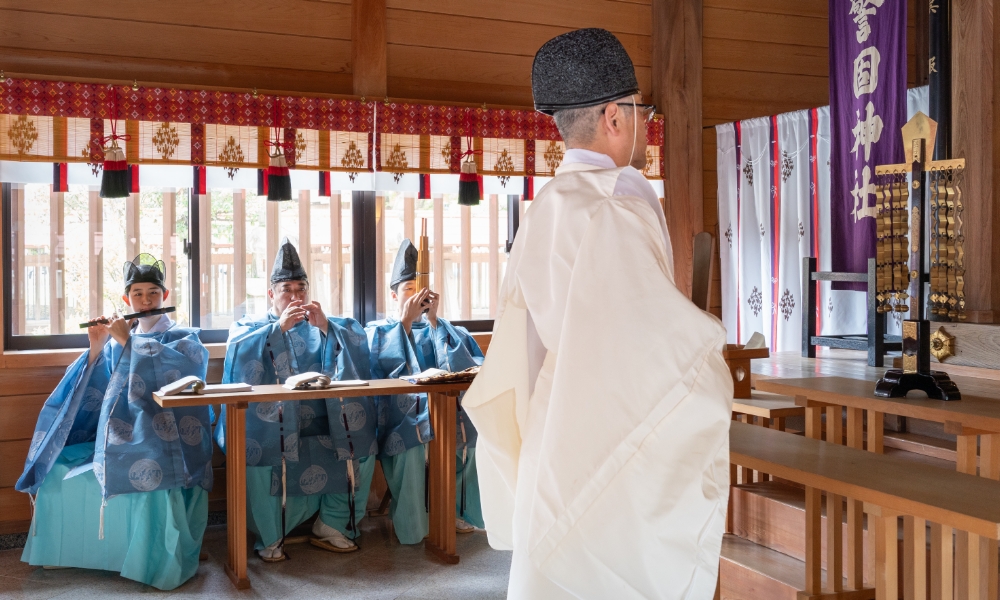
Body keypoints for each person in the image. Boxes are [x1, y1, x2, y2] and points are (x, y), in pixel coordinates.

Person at [461, 28, 734, 599]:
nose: (645, 124)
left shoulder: (544, 206)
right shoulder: (616, 200)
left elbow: (523, 342)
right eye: (641, 112)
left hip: (553, 420)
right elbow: (649, 340)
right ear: (614, 116)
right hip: (608, 425)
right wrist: (706, 350)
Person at [16, 254, 212, 590]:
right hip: (120, 433)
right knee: (57, 462)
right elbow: (98, 387)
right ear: (126, 299)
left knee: (149, 469)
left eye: (153, 293)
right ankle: (74, 553)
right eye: (138, 294)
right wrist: (96, 347)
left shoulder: (183, 337)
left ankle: (153, 563)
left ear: (165, 295)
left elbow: (185, 373)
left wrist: (127, 342)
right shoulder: (122, 337)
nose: (146, 301)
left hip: (163, 439)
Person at [217, 238, 377, 562]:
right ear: (271, 294)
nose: (295, 297)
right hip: (270, 423)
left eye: (300, 289)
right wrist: (277, 330)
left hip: (324, 421)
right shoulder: (250, 327)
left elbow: (355, 345)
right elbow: (238, 354)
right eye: (286, 290)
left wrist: (327, 327)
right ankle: (271, 535)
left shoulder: (322, 324)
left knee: (361, 441)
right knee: (258, 452)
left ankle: (333, 524)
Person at [366, 240, 485, 544]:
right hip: (400, 417)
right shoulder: (378, 331)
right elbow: (376, 371)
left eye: (423, 289)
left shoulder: (448, 330)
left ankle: (453, 510)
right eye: (409, 289)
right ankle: (414, 525)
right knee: (411, 443)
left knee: (471, 433)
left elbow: (469, 368)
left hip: (445, 413)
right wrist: (405, 323)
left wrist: (433, 322)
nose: (418, 295)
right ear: (394, 295)